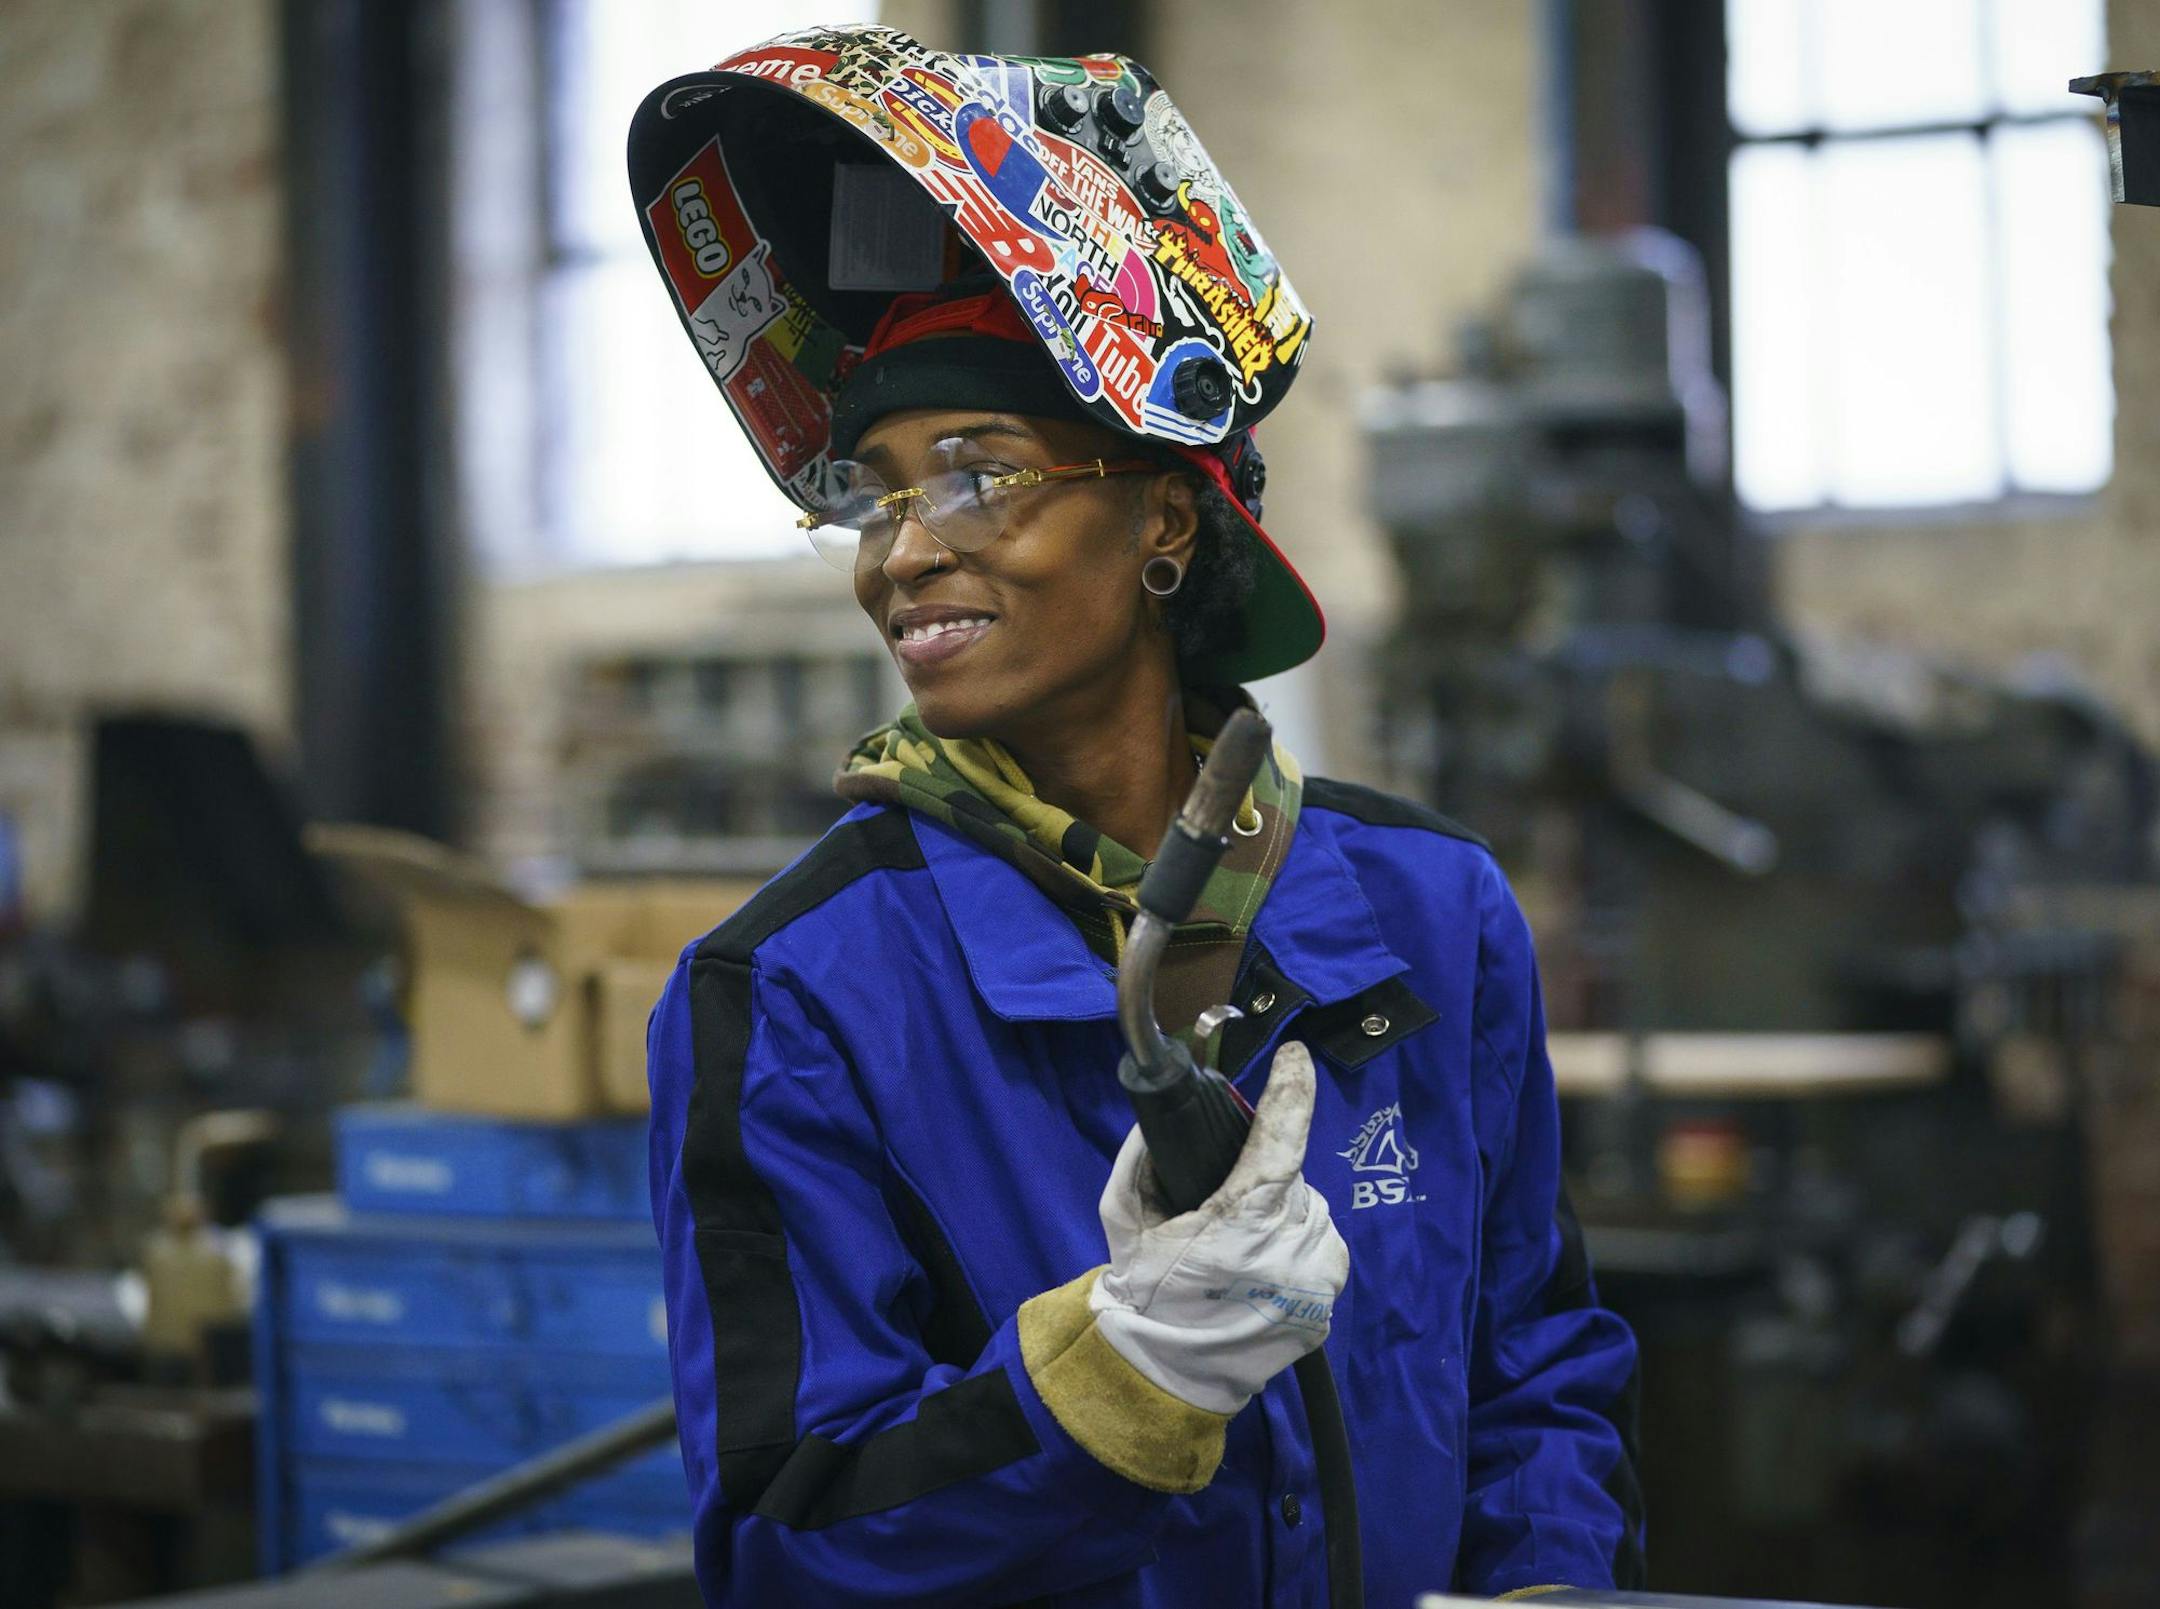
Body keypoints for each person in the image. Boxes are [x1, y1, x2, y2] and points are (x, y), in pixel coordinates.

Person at [633, 26, 1641, 1606]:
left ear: (1166, 514)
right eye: (874, 493)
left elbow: (1534, 1372)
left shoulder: (1434, 912)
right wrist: (1108, 1381)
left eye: (979, 473)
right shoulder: (790, 996)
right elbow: (781, 1538)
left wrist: (1546, 1589)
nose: (903, 552)